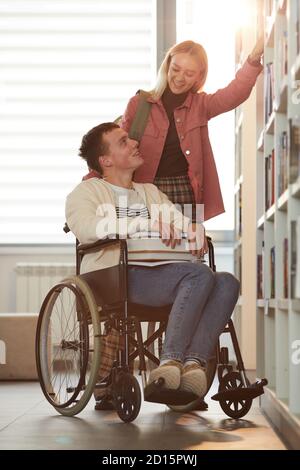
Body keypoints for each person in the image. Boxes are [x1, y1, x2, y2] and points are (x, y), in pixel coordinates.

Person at [66, 122, 240, 402]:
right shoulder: (85, 193)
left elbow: (178, 221)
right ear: (105, 160)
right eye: (123, 141)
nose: (134, 142)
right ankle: (170, 363)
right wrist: (141, 223)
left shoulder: (149, 192)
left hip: (161, 273)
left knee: (227, 282)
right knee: (199, 275)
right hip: (114, 277)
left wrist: (195, 229)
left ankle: (193, 366)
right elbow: (86, 228)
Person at [84, 38, 263, 224]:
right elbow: (114, 147)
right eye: (175, 69)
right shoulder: (139, 104)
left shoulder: (201, 105)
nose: (179, 78)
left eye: (189, 73)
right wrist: (90, 184)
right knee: (146, 249)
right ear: (167, 65)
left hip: (184, 190)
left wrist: (253, 58)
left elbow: (234, 94)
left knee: (186, 250)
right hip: (143, 190)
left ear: (199, 76)